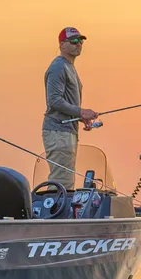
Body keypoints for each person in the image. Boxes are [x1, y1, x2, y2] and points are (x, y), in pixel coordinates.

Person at [41, 27, 98, 190]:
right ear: (62, 45)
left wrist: (81, 117)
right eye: (73, 41)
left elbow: (65, 102)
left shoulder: (69, 67)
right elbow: (54, 101)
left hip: (68, 131)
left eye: (80, 41)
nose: (78, 44)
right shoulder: (58, 67)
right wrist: (81, 111)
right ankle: (56, 214)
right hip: (58, 132)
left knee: (66, 181)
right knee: (61, 182)